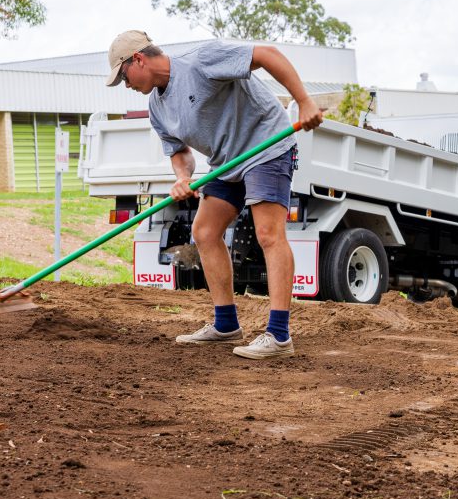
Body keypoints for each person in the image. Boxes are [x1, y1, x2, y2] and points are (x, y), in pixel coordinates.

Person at [105, 30, 323, 359]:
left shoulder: (201, 61)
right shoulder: (157, 107)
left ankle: (279, 335)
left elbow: (267, 55)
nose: (126, 85)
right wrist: (183, 177)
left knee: (268, 233)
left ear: (138, 59)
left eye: (124, 76)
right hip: (228, 162)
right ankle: (226, 325)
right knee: (205, 232)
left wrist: (304, 101)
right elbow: (179, 152)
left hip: (266, 146)